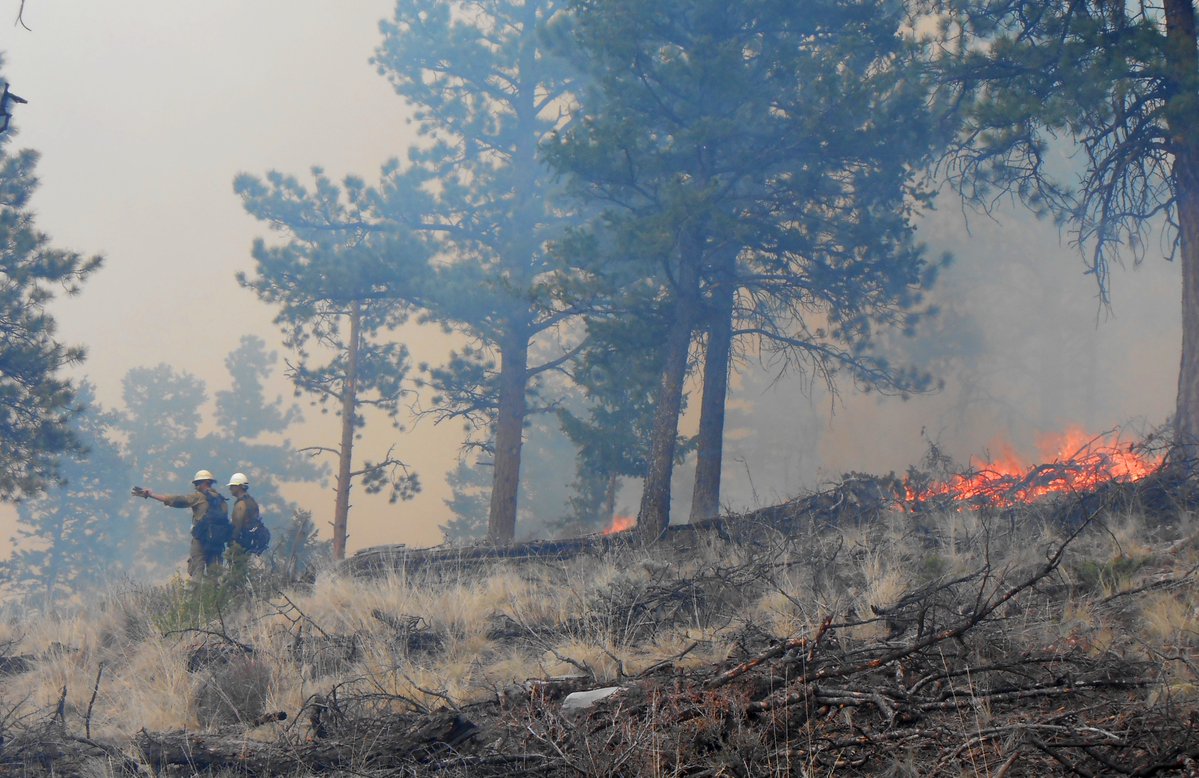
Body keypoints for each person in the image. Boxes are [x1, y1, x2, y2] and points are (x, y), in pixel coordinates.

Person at [134, 469, 231, 576]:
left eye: (197, 483)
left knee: (197, 572)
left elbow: (177, 500)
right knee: (214, 574)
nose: (196, 486)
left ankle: (197, 588)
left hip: (200, 540)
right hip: (217, 543)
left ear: (204, 483)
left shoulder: (199, 497)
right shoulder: (222, 500)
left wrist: (151, 495)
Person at [226, 472, 267, 554]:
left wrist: (232, 540)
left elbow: (237, 525)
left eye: (232, 486)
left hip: (241, 542)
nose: (230, 488)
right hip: (251, 540)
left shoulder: (241, 504)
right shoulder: (251, 501)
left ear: (239, 486)